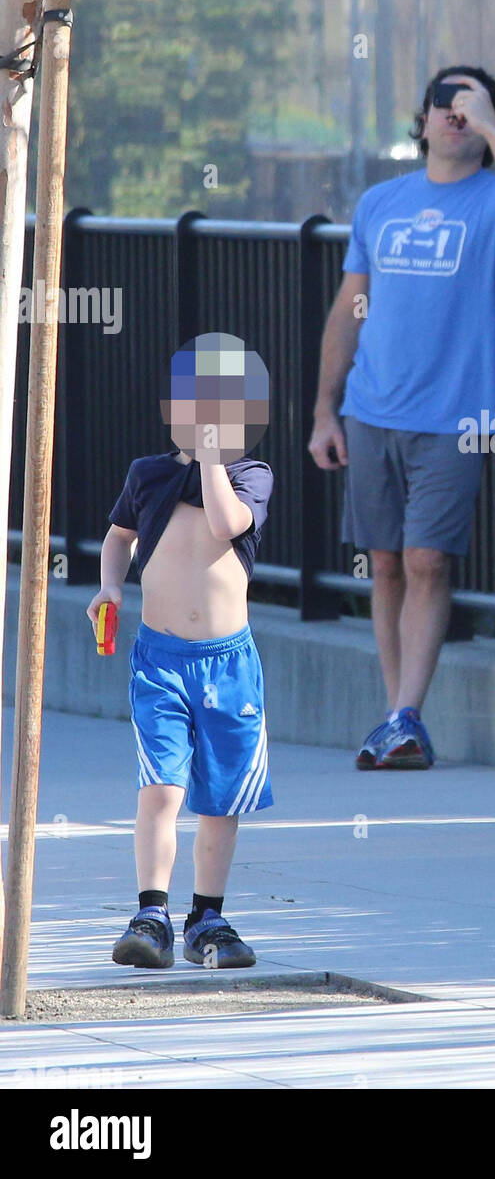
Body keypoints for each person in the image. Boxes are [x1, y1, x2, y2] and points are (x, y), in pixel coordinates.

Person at [309, 66, 495, 770]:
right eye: (446, 100)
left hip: (457, 417)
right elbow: (349, 310)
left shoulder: (494, 199)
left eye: (474, 103)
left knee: (427, 560)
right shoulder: (381, 202)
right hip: (372, 409)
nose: (457, 113)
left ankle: (408, 712)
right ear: (423, 117)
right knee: (384, 564)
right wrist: (325, 408)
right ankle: (397, 717)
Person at [87, 344, 274, 970]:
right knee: (162, 787)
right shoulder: (147, 474)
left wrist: (215, 458)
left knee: (220, 800)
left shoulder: (252, 475)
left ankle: (208, 916)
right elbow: (119, 538)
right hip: (161, 661)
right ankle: (151, 911)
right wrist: (111, 585)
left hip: (229, 666)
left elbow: (226, 524)